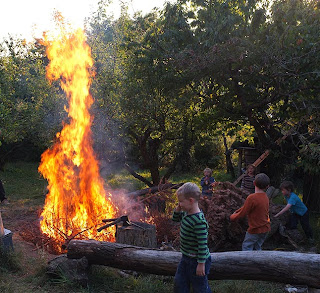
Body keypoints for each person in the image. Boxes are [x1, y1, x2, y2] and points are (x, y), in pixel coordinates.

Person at [172, 182, 212, 293]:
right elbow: (175, 219)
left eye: (181, 202)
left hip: (197, 260)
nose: (179, 204)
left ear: (191, 201)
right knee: (179, 283)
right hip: (186, 258)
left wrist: (201, 264)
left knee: (200, 287)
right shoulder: (186, 213)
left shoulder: (199, 221)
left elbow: (202, 244)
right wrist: (178, 209)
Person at [230, 173, 271, 251]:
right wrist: (237, 211)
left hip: (255, 229)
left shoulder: (252, 198)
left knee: (247, 247)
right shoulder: (265, 197)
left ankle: (246, 262)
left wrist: (232, 217)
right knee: (257, 247)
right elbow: (245, 207)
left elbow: (243, 213)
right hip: (266, 228)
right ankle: (258, 262)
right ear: (267, 186)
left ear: (254, 183)